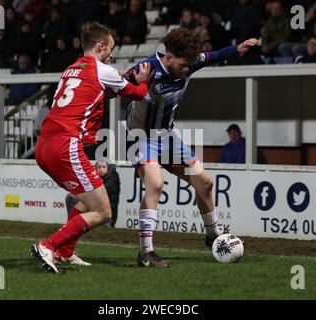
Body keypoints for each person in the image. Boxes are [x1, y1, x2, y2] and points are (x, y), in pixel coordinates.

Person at [124, 27, 258, 267]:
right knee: (155, 183)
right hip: (141, 136)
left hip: (167, 137)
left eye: (190, 64)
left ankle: (213, 235)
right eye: (183, 64)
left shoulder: (190, 62)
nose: (187, 69)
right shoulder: (144, 69)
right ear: (169, 57)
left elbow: (215, 55)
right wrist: (139, 86)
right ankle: (146, 252)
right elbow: (114, 89)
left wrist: (237, 49)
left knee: (205, 182)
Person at [30, 21, 152, 273]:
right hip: (66, 144)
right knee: (104, 211)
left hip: (44, 146)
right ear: (100, 46)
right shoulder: (101, 69)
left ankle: (65, 251)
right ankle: (48, 246)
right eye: (110, 49)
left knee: (86, 202)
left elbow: (94, 94)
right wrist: (144, 81)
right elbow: (138, 94)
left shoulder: (70, 69)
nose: (112, 55)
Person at [65, 159, 121, 229]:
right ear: (96, 169)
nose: (101, 169)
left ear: (108, 167)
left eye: (104, 167)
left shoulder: (112, 177)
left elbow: (97, 193)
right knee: (70, 197)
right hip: (94, 209)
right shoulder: (94, 176)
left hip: (105, 217)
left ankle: (74, 225)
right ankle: (71, 224)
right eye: (99, 167)